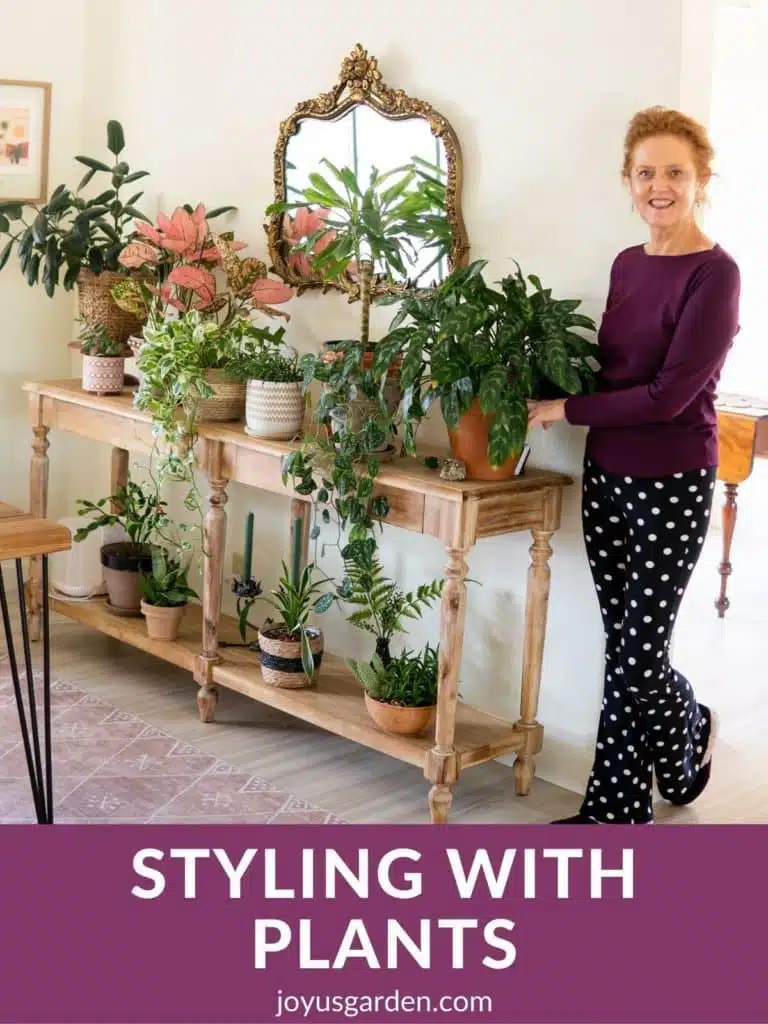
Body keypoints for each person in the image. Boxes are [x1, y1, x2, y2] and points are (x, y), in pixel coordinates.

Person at [527, 106, 741, 824]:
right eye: (646, 172)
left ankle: (690, 725)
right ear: (628, 182)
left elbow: (667, 396)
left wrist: (567, 410)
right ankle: (616, 812)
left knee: (640, 661)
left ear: (700, 180)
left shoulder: (716, 274)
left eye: (674, 173)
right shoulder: (626, 263)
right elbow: (613, 370)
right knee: (622, 649)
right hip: (607, 477)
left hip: (672, 482)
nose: (659, 185)